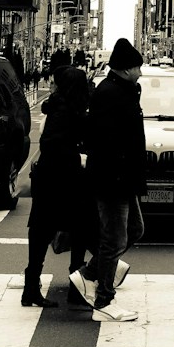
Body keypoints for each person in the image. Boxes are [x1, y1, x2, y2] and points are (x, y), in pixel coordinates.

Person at [23, 51, 92, 308]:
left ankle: (33, 287)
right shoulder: (65, 111)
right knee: (75, 230)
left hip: (52, 179)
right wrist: (79, 159)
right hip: (61, 180)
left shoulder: (62, 108)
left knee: (43, 232)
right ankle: (73, 288)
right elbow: (52, 144)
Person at [82, 38, 148, 311]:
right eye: (137, 68)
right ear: (124, 69)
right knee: (114, 238)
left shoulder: (124, 91)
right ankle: (103, 295)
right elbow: (105, 140)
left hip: (124, 177)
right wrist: (120, 173)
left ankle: (89, 273)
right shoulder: (110, 93)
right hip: (113, 179)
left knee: (134, 230)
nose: (140, 73)